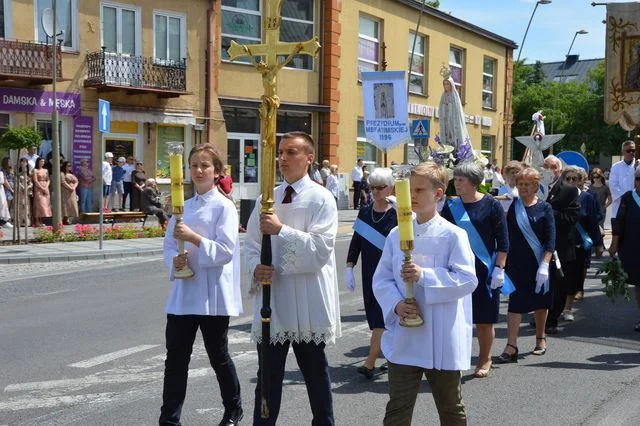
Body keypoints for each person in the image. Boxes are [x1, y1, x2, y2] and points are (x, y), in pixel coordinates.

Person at [245, 131, 340, 425]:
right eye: (281, 152)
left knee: (314, 372)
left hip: (307, 299)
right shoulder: (266, 198)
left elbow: (321, 248)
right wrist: (255, 268)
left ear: (309, 158)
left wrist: (281, 231)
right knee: (268, 375)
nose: (283, 158)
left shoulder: (321, 198)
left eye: (291, 152)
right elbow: (249, 245)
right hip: (274, 301)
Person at [373, 162, 477, 426]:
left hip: (441, 337)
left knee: (451, 409)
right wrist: (396, 304)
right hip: (406, 337)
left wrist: (425, 276)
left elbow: (467, 280)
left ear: (439, 194)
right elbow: (382, 278)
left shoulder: (454, 235)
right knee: (397, 410)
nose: (413, 196)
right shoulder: (396, 234)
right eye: (409, 190)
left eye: (419, 190)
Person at [160, 143, 243, 426]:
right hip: (184, 294)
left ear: (217, 171)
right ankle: (169, 418)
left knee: (218, 356)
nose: (198, 170)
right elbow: (170, 244)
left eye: (205, 165)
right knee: (176, 359)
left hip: (212, 294)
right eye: (194, 164)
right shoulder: (182, 205)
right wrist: (175, 261)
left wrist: (194, 238)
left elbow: (225, 251)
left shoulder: (224, 207)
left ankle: (233, 408)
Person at [441, 163, 509, 378]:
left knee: (484, 320)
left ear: (473, 182)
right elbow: (442, 236)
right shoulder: (451, 206)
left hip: (484, 270)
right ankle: (456, 360)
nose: (456, 183)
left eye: (461, 179)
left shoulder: (491, 205)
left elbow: (503, 241)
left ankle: (485, 358)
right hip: (456, 270)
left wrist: (499, 268)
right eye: (456, 179)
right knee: (456, 319)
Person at [496, 167, 555, 363]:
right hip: (517, 264)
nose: (523, 188)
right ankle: (511, 346)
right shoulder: (513, 207)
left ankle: (541, 338)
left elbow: (550, 239)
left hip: (539, 264)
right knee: (515, 304)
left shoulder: (545, 208)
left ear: (536, 186)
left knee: (540, 303)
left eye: (527, 184)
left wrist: (545, 264)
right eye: (520, 184)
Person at [346, 168, 396, 378]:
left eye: (380, 187)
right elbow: (356, 240)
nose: (375, 192)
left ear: (391, 187)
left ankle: (370, 363)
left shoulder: (398, 213)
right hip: (369, 272)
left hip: (391, 274)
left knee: (381, 319)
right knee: (376, 317)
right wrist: (349, 266)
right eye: (372, 187)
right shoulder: (365, 211)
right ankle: (393, 357)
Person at [543, 155, 580, 335]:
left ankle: (552, 319)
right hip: (537, 245)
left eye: (553, 167)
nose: (549, 170)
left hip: (560, 245)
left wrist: (549, 211)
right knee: (541, 284)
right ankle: (540, 315)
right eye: (545, 166)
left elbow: (571, 219)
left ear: (559, 170)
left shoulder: (569, 191)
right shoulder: (531, 188)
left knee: (558, 285)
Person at [561, 167, 603, 316]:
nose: (571, 182)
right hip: (561, 244)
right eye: (568, 179)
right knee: (559, 277)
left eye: (575, 179)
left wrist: (599, 244)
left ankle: (567, 308)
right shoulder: (557, 196)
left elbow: (592, 221)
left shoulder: (587, 198)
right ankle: (555, 307)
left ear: (580, 181)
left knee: (574, 276)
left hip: (579, 244)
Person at [609, 167, 640, 331]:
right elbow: (618, 222)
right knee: (639, 283)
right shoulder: (628, 198)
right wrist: (614, 244)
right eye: (639, 178)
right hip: (633, 247)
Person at [609, 140, 637, 230]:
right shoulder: (616, 167)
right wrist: (627, 196)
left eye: (633, 150)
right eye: (628, 151)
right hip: (620, 204)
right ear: (622, 152)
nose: (631, 153)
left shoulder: (638, 165)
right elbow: (613, 185)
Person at [438, 75, 470, 150]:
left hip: (453, 121)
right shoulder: (443, 95)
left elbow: (456, 109)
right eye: (444, 84)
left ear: (451, 85)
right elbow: (440, 108)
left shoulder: (454, 95)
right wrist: (444, 106)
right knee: (446, 136)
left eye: (447, 84)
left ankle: (457, 149)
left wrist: (448, 105)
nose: (446, 86)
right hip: (446, 119)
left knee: (454, 136)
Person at [587, 167, 612, 234]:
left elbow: (610, 200)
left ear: (601, 177)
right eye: (594, 177)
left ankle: (601, 243)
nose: (596, 179)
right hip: (591, 211)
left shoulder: (605, 187)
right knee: (591, 228)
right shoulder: (589, 188)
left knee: (600, 229)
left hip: (601, 211)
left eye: (597, 177)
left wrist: (604, 207)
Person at [32, 158, 52, 227]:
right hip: (38, 187)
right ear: (38, 162)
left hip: (45, 187)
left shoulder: (46, 170)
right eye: (41, 161)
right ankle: (37, 220)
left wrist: (46, 187)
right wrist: (42, 187)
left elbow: (48, 180)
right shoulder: (35, 170)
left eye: (43, 161)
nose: (42, 163)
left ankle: (41, 220)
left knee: (45, 204)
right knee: (39, 203)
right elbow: (35, 180)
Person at [60, 161, 79, 225]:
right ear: (65, 166)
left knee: (72, 204)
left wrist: (74, 187)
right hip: (65, 191)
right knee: (66, 204)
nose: (69, 167)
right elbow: (63, 182)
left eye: (70, 166)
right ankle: (66, 218)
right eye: (68, 166)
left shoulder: (71, 174)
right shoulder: (62, 173)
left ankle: (70, 218)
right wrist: (69, 187)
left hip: (72, 192)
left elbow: (76, 181)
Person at [16, 158, 33, 227]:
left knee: (26, 206)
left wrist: (28, 187)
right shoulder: (17, 171)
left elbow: (31, 183)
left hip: (26, 192)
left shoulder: (28, 173)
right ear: (20, 163)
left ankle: (26, 222)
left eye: (25, 162)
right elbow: (17, 181)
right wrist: (22, 187)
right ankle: (19, 222)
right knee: (20, 205)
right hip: (20, 192)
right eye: (22, 162)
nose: (24, 163)